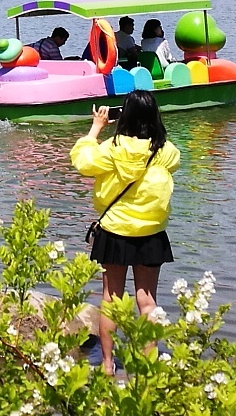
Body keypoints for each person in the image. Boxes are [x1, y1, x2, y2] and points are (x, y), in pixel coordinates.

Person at [70, 91, 178, 374]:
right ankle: (148, 365)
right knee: (147, 300)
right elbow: (175, 162)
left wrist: (96, 127)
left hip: (114, 231)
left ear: (124, 116)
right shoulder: (164, 150)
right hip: (151, 233)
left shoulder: (112, 148)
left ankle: (107, 364)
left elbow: (82, 162)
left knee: (111, 299)